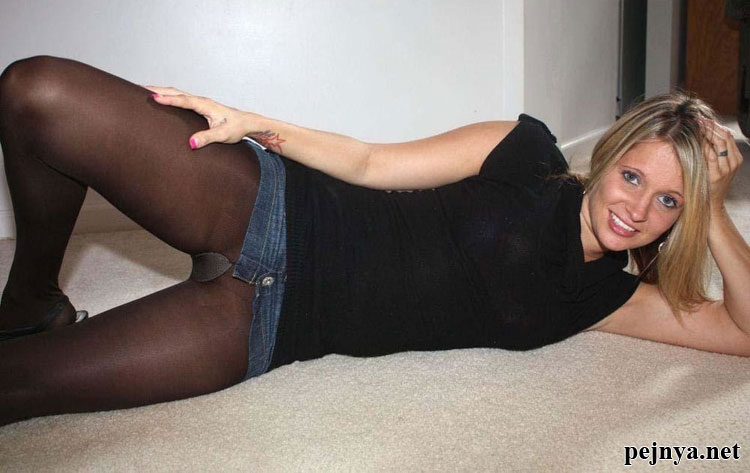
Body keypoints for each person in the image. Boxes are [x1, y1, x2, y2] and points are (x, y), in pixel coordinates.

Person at [0, 56, 747, 426]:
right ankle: (32, 297)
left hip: (264, 328)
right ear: (608, 156)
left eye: (669, 201)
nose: (636, 209)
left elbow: (742, 333)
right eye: (632, 177)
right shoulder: (526, 155)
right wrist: (253, 123)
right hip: (273, 205)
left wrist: (712, 208)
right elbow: (369, 162)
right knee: (36, 92)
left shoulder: (608, 297)